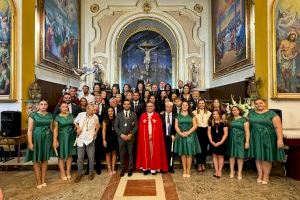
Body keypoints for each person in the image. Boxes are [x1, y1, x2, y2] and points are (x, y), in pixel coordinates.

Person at [248, 98, 285, 185]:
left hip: (268, 137)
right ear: (254, 105)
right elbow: (248, 125)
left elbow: (278, 127)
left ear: (264, 103)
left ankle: (266, 176)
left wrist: (280, 139)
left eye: (260, 103)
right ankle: (260, 175)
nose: (259, 105)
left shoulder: (272, 114)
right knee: (258, 156)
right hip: (255, 137)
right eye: (256, 104)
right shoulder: (251, 113)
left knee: (266, 156)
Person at [26, 100, 53, 189]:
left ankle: (43, 179)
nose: (43, 106)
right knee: (36, 160)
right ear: (38, 106)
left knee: (45, 160)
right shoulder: (33, 115)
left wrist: (54, 140)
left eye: (45, 104)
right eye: (41, 104)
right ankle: (38, 181)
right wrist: (30, 143)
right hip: (36, 139)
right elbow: (29, 130)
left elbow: (52, 128)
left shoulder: (50, 115)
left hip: (47, 139)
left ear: (47, 106)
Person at [136, 102, 168, 175]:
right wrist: (147, 136)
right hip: (144, 138)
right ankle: (146, 168)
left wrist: (152, 136)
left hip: (155, 138)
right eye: (148, 106)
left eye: (151, 106)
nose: (149, 107)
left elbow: (159, 129)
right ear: (146, 107)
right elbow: (140, 129)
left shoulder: (157, 116)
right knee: (145, 152)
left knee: (154, 152)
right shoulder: (143, 116)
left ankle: (154, 168)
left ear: (154, 107)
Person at [174, 101, 201, 178]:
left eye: (186, 105)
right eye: (183, 105)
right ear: (181, 106)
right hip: (181, 135)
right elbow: (176, 126)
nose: (185, 106)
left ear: (188, 106)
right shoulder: (178, 115)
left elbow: (195, 126)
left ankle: (188, 170)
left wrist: (188, 133)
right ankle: (184, 170)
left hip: (190, 135)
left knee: (189, 154)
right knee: (183, 153)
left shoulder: (192, 115)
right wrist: (181, 133)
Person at [73, 105, 100, 183]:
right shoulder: (81, 114)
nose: (93, 112)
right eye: (92, 110)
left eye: (94, 110)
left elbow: (98, 126)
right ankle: (79, 173)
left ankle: (91, 173)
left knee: (91, 157)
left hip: (90, 139)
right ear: (87, 110)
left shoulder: (95, 117)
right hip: (81, 138)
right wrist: (78, 128)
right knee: (80, 158)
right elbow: (74, 121)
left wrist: (95, 132)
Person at [53, 102, 76, 181]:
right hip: (61, 137)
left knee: (70, 155)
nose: (65, 108)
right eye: (63, 107)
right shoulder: (57, 117)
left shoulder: (71, 116)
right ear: (60, 108)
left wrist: (77, 129)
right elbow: (55, 130)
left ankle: (68, 172)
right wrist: (55, 140)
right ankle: (62, 173)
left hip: (71, 137)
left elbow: (75, 125)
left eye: (66, 107)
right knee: (61, 156)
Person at [114, 100, 138, 177]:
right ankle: (123, 169)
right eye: (125, 104)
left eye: (128, 104)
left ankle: (130, 169)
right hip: (121, 138)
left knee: (130, 153)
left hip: (130, 138)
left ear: (130, 106)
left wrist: (131, 134)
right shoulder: (119, 114)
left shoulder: (133, 114)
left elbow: (136, 126)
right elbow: (115, 127)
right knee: (122, 154)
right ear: (123, 105)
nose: (127, 105)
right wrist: (121, 135)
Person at [227, 106, 250, 180]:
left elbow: (247, 131)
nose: (234, 111)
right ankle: (231, 171)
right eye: (233, 110)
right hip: (231, 139)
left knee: (240, 156)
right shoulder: (229, 119)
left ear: (239, 111)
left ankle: (239, 172)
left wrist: (247, 142)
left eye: (236, 110)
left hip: (241, 139)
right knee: (232, 156)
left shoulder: (244, 119)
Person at [208, 110, 228, 178]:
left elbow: (225, 134)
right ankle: (216, 170)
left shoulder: (224, 123)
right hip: (213, 141)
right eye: (214, 114)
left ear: (219, 115)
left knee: (220, 156)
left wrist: (221, 142)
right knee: (214, 156)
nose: (215, 115)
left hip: (221, 141)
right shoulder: (211, 122)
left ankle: (220, 171)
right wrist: (211, 141)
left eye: (216, 114)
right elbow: (209, 133)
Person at [193, 99, 211, 173]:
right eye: (200, 103)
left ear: (205, 104)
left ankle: (203, 163)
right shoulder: (194, 112)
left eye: (202, 103)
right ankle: (198, 164)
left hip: (206, 130)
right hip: (198, 130)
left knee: (204, 148)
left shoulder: (209, 113)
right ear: (198, 104)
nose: (201, 104)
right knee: (198, 148)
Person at [102, 107, 118, 175]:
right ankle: (109, 168)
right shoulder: (105, 121)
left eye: (112, 111)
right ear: (107, 112)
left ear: (114, 112)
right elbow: (104, 130)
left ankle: (113, 167)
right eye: (109, 111)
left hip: (115, 138)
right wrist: (103, 140)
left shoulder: (116, 119)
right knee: (108, 153)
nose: (110, 112)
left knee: (114, 153)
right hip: (108, 138)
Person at [161, 102, 176, 173]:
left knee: (171, 153)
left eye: (170, 107)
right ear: (165, 107)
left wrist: (174, 135)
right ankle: (164, 167)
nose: (169, 108)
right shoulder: (161, 115)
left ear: (172, 108)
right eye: (167, 107)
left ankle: (171, 167)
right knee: (163, 152)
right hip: (163, 137)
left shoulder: (175, 116)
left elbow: (176, 127)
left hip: (171, 137)